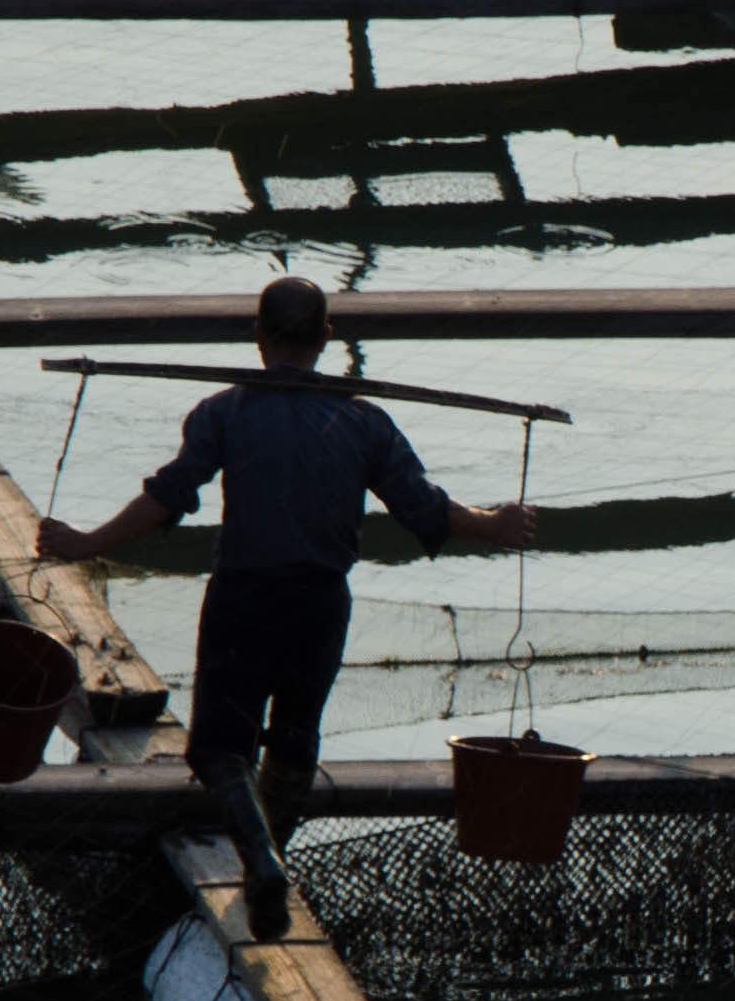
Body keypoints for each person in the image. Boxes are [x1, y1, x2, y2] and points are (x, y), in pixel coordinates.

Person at [37, 276, 537, 921]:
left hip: (243, 596)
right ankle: (270, 863)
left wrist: (85, 542)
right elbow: (422, 507)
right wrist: (492, 523)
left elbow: (168, 497)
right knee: (295, 742)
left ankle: (261, 860)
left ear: (259, 336)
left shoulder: (224, 412)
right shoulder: (364, 420)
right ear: (326, 337)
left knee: (222, 750)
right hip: (321, 603)